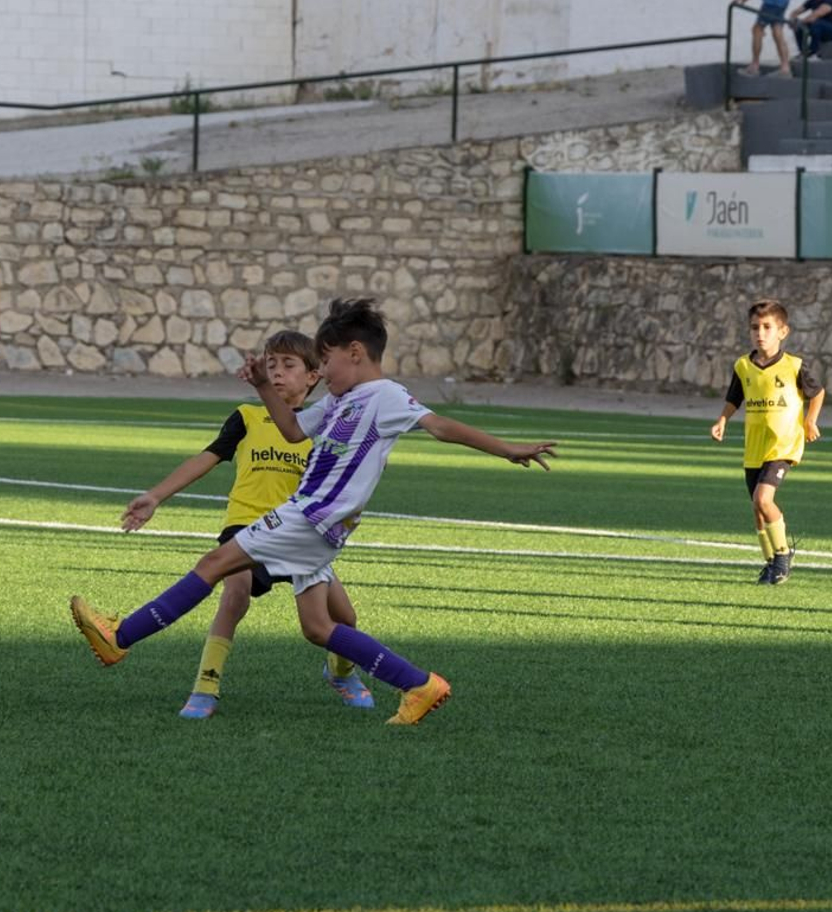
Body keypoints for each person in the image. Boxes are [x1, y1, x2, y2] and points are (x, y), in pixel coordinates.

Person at [70, 298, 557, 726]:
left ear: (355, 352)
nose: (322, 371)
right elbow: (292, 432)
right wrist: (264, 385)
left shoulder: (385, 396)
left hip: (309, 517)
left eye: (325, 360)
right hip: (317, 525)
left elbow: (441, 426)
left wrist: (507, 449)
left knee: (214, 564)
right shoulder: (339, 401)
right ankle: (419, 685)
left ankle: (121, 637)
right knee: (318, 628)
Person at [120, 329, 375, 720]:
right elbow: (206, 458)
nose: (277, 372)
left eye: (288, 365)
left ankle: (341, 672)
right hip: (244, 527)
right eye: (271, 364)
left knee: (345, 618)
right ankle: (205, 687)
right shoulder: (247, 417)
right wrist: (156, 496)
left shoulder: (322, 427)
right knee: (235, 594)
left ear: (313, 376)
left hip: (297, 532)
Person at [709, 299, 825, 584]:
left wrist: (810, 421)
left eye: (767, 327)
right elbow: (734, 398)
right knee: (757, 509)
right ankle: (770, 562)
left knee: (764, 499)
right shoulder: (743, 366)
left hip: (783, 445)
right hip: (754, 447)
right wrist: (722, 420)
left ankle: (783, 556)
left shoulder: (794, 366)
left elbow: (818, 393)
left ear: (782, 332)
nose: (760, 333)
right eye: (754, 328)